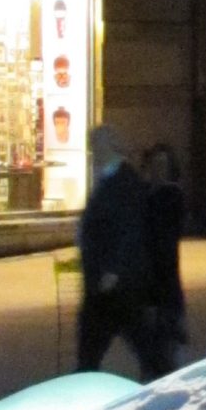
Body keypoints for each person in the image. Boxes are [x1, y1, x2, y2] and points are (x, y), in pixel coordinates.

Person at [75, 124, 156, 377]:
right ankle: (158, 377)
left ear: (108, 147)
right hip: (106, 282)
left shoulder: (124, 180)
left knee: (138, 341)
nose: (92, 152)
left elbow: (128, 228)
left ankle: (160, 380)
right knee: (100, 346)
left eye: (95, 146)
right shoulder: (109, 177)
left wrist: (113, 269)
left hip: (115, 283)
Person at [136, 143, 188, 377]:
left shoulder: (169, 196)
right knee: (153, 353)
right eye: (155, 165)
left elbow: (162, 239)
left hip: (165, 287)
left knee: (167, 352)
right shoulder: (147, 196)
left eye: (163, 165)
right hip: (150, 286)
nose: (159, 170)